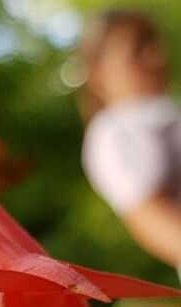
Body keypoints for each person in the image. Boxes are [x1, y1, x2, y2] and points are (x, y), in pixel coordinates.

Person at [79, 10, 181, 278]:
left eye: (154, 44)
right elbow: (149, 218)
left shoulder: (165, 111)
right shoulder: (113, 132)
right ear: (97, 72)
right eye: (137, 50)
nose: (157, 57)